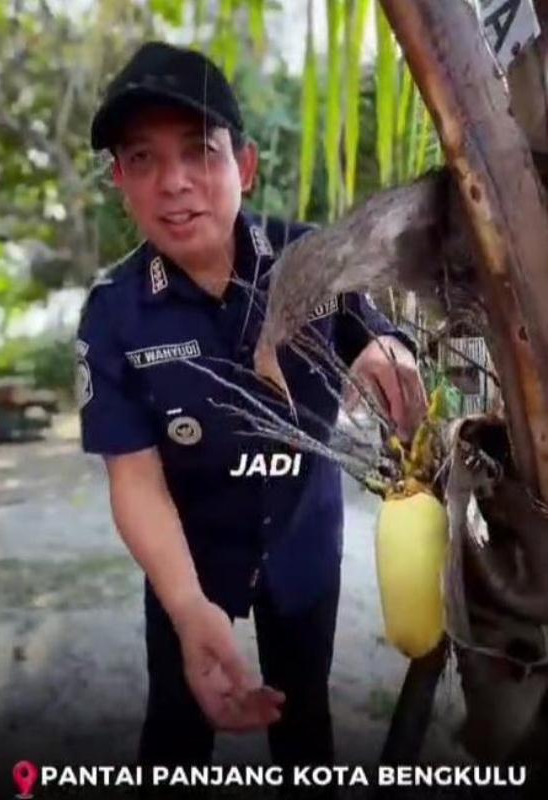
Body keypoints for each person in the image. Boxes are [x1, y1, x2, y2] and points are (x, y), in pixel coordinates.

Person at [77, 41, 427, 774]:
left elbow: (374, 331)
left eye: (199, 151)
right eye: (142, 159)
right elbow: (133, 478)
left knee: (305, 731)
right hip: (189, 558)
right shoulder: (113, 311)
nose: (174, 183)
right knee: (174, 731)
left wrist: (386, 355)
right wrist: (185, 607)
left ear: (244, 165)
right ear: (120, 180)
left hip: (303, 541)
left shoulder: (313, 258)